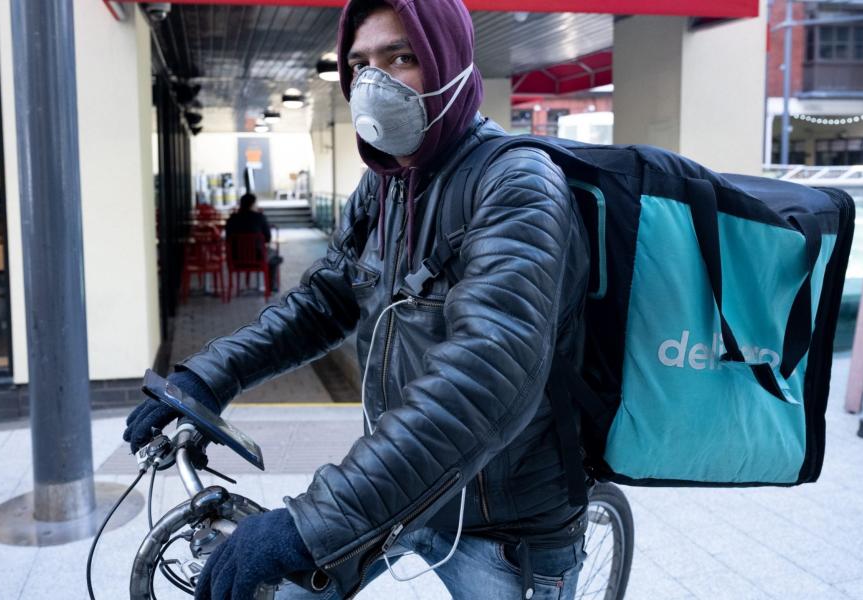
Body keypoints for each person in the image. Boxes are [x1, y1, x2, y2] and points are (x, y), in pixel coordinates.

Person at [123, 1, 591, 599]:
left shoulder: (518, 183)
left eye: (402, 57)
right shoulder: (387, 182)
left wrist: (310, 521)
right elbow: (325, 300)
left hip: (507, 524)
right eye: (360, 64)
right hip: (396, 486)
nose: (376, 82)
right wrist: (208, 377)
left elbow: (484, 373)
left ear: (449, 59)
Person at [224, 193, 282, 293]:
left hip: (235, 259)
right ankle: (272, 287)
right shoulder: (260, 217)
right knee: (274, 255)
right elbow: (268, 238)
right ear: (252, 204)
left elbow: (228, 238)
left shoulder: (232, 219)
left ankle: (270, 284)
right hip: (258, 258)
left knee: (273, 255)